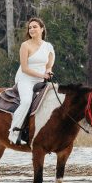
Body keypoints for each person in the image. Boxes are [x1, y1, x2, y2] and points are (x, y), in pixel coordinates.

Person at [9, 17, 55, 145]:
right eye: (30, 27)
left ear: (42, 29)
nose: (32, 29)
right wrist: (42, 74)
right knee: (26, 102)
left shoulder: (48, 47)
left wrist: (48, 72)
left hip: (42, 80)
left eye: (35, 27)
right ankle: (14, 132)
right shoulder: (25, 45)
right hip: (26, 79)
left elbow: (49, 65)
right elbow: (25, 68)